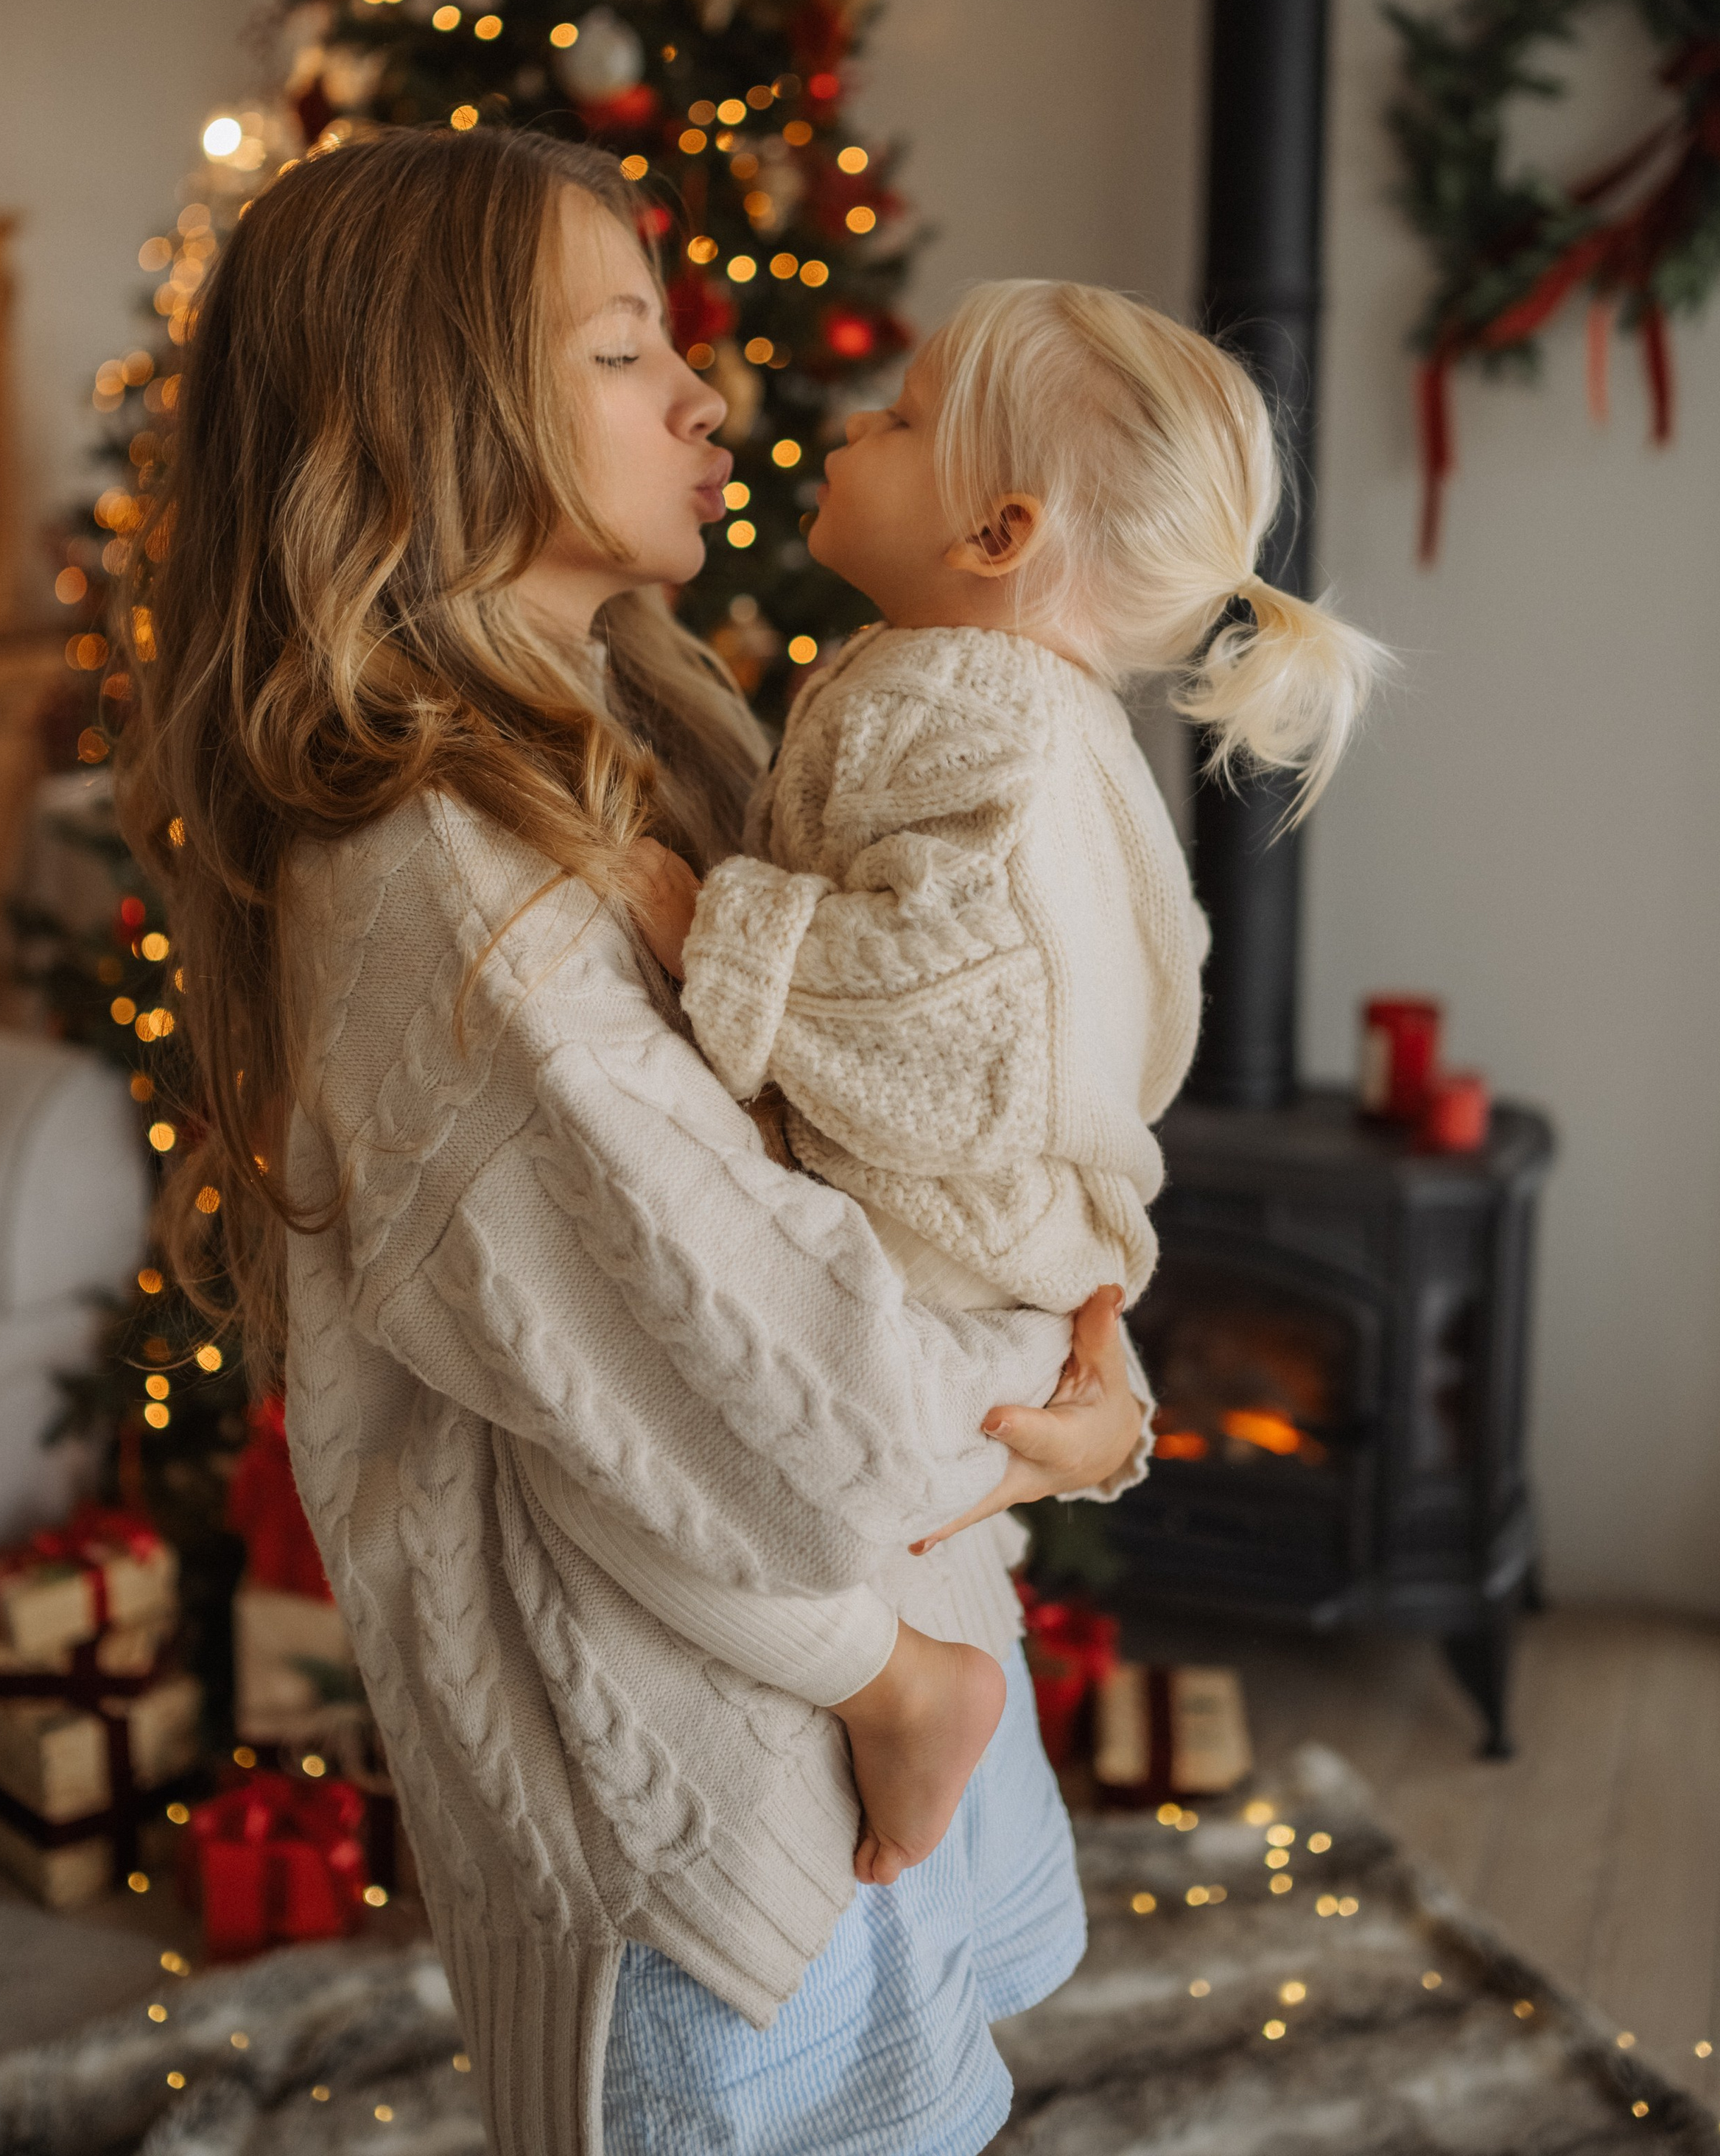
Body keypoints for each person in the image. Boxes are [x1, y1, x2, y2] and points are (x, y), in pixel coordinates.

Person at [119, 127, 1150, 2156]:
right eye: (620, 349)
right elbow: (796, 1395)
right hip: (722, 1820)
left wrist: (1093, 1360)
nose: (708, 393)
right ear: (424, 419)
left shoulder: (658, 725)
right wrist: (908, 1637)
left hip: (870, 1705)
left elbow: (939, 1114)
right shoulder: (440, 876)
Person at [586, 281, 1390, 1889]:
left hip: (944, 1273)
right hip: (982, 1276)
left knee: (656, 1489)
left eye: (893, 420)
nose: (838, 427)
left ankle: (909, 1687)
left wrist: (715, 927)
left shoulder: (975, 706)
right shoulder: (983, 697)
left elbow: (961, 1009)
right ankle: (924, 1676)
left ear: (997, 527)